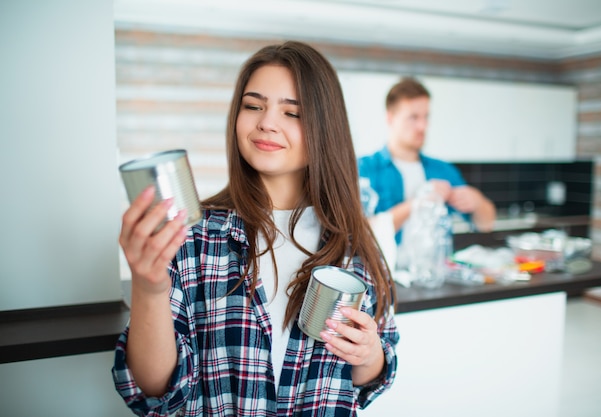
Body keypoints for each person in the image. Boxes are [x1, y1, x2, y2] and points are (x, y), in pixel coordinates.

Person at [112, 41, 398, 417]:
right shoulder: (196, 237)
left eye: (292, 113)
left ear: (325, 129)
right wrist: (148, 287)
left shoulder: (355, 246)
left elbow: (373, 376)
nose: (266, 122)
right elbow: (153, 390)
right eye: (253, 106)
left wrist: (369, 353)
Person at [358, 77, 496, 246]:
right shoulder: (364, 169)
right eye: (413, 117)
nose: (422, 126)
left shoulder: (443, 171)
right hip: (382, 271)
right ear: (390, 118)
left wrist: (477, 201)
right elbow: (358, 233)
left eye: (426, 117)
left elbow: (486, 224)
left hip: (436, 271)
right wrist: (416, 204)